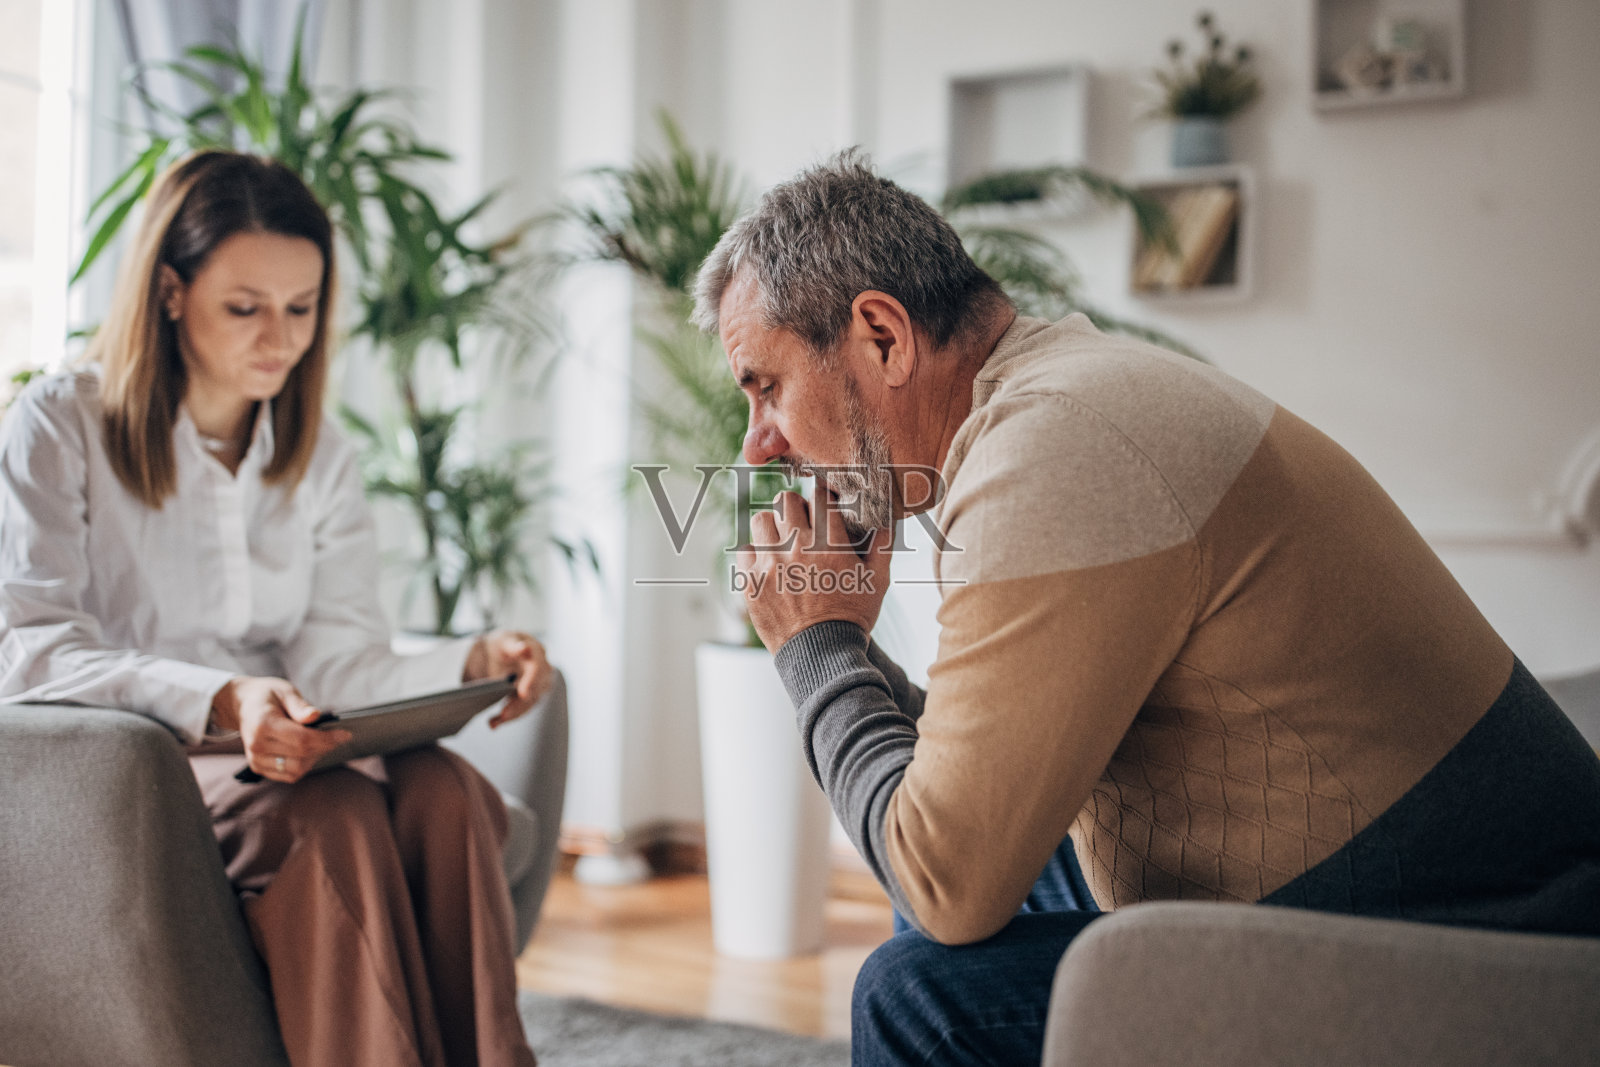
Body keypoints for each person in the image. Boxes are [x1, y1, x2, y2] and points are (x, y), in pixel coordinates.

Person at [692, 152, 1600, 1065]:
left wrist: (817, 645)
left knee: (920, 995)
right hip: (1406, 896)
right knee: (956, 858)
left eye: (765, 385)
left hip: (1487, 950)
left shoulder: (1053, 454)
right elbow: (965, 787)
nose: (757, 447)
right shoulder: (1062, 398)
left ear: (883, 336)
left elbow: (945, 877)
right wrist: (836, 633)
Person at [0, 150, 547, 1067]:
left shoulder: (318, 453)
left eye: (302, 309)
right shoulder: (61, 425)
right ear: (171, 292)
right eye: (244, 308)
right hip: (135, 766)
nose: (280, 339)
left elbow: (340, 660)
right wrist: (222, 698)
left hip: (287, 746)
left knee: (448, 794)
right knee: (324, 818)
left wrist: (469, 660)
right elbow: (29, 647)